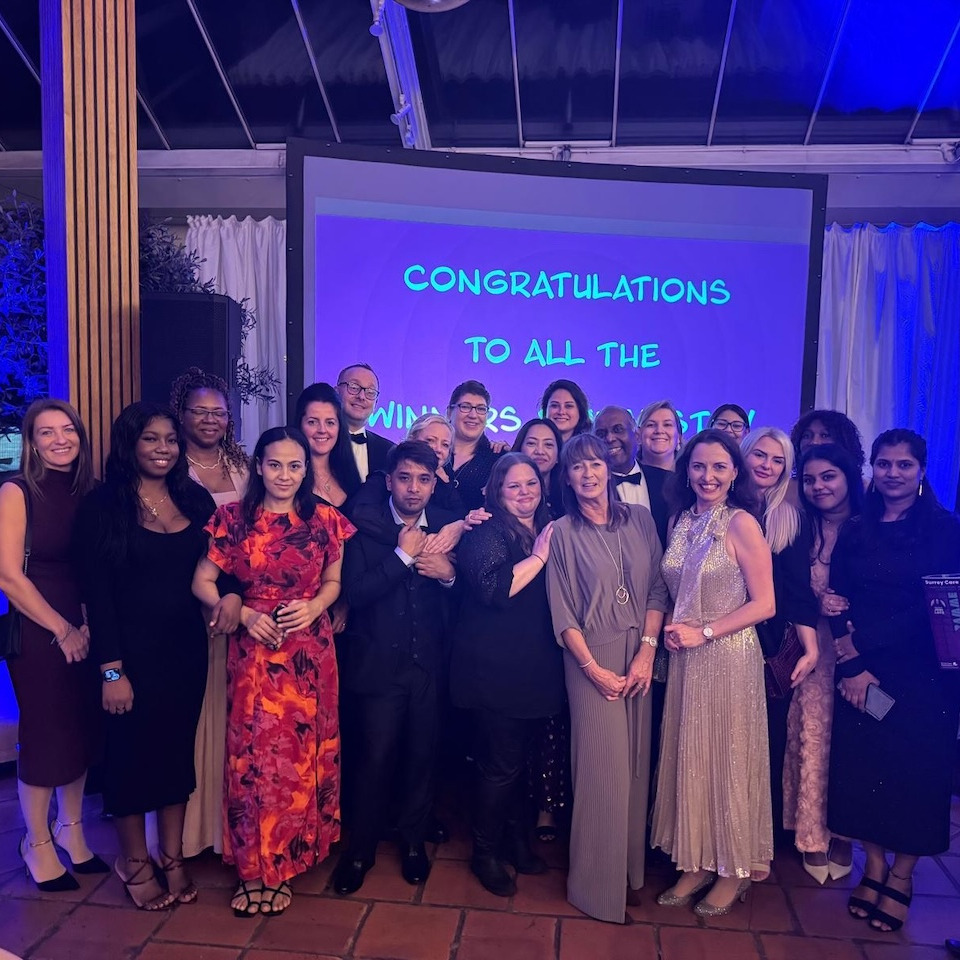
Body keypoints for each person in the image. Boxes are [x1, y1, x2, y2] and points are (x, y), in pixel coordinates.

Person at [192, 426, 355, 917]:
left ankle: (289, 861)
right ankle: (253, 868)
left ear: (306, 470)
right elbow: (202, 581)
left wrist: (315, 607)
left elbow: (333, 580)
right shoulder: (231, 520)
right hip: (256, 653)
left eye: (295, 465)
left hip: (310, 651)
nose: (285, 474)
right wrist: (242, 613)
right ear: (258, 465)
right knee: (254, 760)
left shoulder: (326, 519)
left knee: (304, 756)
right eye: (275, 464)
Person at [75, 401, 221, 910]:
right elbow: (98, 595)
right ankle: (134, 861)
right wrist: (112, 670)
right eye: (151, 439)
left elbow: (223, 568)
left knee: (175, 753)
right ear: (130, 444)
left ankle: (172, 855)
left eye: (170, 440)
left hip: (185, 650)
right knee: (130, 757)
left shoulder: (196, 499)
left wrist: (233, 600)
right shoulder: (104, 506)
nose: (163, 449)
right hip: (128, 657)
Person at [828, 429, 960, 933]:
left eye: (904, 465)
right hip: (864, 676)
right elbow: (836, 600)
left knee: (915, 777)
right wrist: (852, 665)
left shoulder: (945, 531)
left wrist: (865, 645)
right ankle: (875, 866)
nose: (893, 474)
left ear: (921, 470)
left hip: (923, 679)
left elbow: (931, 609)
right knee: (866, 771)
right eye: (884, 464)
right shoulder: (857, 530)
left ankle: (902, 876)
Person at [651, 428, 775, 917]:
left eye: (720, 467)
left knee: (726, 756)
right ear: (687, 471)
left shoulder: (742, 522)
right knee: (692, 757)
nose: (708, 476)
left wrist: (704, 632)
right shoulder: (680, 519)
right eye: (699, 466)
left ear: (735, 473)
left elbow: (765, 604)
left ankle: (733, 870)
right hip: (686, 660)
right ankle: (698, 861)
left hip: (727, 657)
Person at [546, 433, 669, 924]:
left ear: (609, 468)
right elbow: (562, 615)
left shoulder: (640, 519)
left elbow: (659, 587)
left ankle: (626, 871)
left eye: (595, 464)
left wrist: (646, 651)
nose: (588, 474)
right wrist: (592, 669)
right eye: (578, 467)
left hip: (640, 651)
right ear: (567, 477)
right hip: (589, 658)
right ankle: (594, 885)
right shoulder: (560, 531)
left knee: (636, 767)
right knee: (603, 769)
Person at [331, 441, 458, 895]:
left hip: (428, 667)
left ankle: (412, 844)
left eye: (423, 479)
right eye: (404, 478)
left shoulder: (446, 527)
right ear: (389, 481)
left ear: (433, 483)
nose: (413, 488)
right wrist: (403, 556)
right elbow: (357, 593)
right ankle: (360, 851)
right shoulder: (363, 527)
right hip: (378, 667)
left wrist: (447, 574)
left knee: (421, 758)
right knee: (374, 760)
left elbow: (464, 597)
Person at [450, 453, 563, 897]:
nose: (524, 493)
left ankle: (516, 842)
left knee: (521, 763)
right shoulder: (486, 531)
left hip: (534, 665)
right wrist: (539, 556)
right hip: (492, 668)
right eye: (513, 486)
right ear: (497, 491)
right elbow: (497, 589)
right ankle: (484, 852)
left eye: (531, 484)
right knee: (500, 765)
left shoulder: (547, 522)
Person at [0, 399, 102, 891]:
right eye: (47, 432)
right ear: (32, 442)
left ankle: (72, 829)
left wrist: (86, 627)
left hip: (87, 625)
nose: (60, 439)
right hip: (41, 627)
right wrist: (63, 630)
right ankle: (35, 841)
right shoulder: (17, 492)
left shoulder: (91, 492)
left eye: (69, 430)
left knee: (80, 727)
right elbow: (7, 577)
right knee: (45, 734)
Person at [170, 367, 249, 860]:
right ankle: (186, 834)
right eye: (199, 411)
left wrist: (237, 596)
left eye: (218, 412)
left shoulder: (243, 466)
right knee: (192, 717)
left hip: (238, 608)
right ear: (181, 415)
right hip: (188, 607)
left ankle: (222, 831)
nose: (210, 420)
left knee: (229, 716)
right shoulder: (170, 468)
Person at [782, 444, 865, 884]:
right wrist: (817, 601)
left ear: (849, 476)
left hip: (863, 654)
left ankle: (845, 832)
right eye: (810, 479)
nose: (818, 487)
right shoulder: (800, 528)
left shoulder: (871, 526)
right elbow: (788, 587)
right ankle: (812, 835)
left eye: (828, 477)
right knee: (812, 737)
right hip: (812, 649)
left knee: (851, 742)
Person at [740, 428, 819, 856]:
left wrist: (810, 645)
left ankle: (756, 844)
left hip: (768, 645)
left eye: (777, 460)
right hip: (715, 640)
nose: (766, 465)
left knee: (765, 743)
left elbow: (798, 588)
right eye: (760, 455)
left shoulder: (791, 518)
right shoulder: (718, 504)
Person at [512, 418, 567, 840]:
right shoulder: (501, 509)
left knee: (552, 722)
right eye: (532, 442)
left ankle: (548, 808)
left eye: (549, 443)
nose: (540, 449)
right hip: (516, 630)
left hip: (559, 627)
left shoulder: (564, 505)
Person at [295, 382, 362, 508]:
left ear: (339, 427)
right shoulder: (290, 478)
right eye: (312, 422)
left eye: (330, 423)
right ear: (300, 425)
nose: (322, 430)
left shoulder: (348, 474)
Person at [445, 380, 503, 512]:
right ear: (449, 412)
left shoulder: (498, 460)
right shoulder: (433, 453)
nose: (473, 415)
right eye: (465, 407)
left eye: (481, 409)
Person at [336, 363, 393, 481]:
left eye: (370, 392)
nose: (362, 397)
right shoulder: (318, 441)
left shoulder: (389, 452)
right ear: (336, 392)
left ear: (376, 403)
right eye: (354, 387)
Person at [512, 418, 564, 519]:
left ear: (558, 456)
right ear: (520, 449)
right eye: (531, 443)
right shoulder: (504, 496)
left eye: (548, 445)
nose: (540, 451)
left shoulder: (568, 499)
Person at [790, 409, 866, 474]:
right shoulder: (786, 488)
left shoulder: (864, 488)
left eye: (824, 435)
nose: (814, 442)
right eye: (806, 436)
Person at [637, 399, 683, 473]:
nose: (659, 431)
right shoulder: (621, 476)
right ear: (638, 435)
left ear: (679, 437)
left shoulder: (690, 478)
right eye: (651, 425)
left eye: (667, 425)